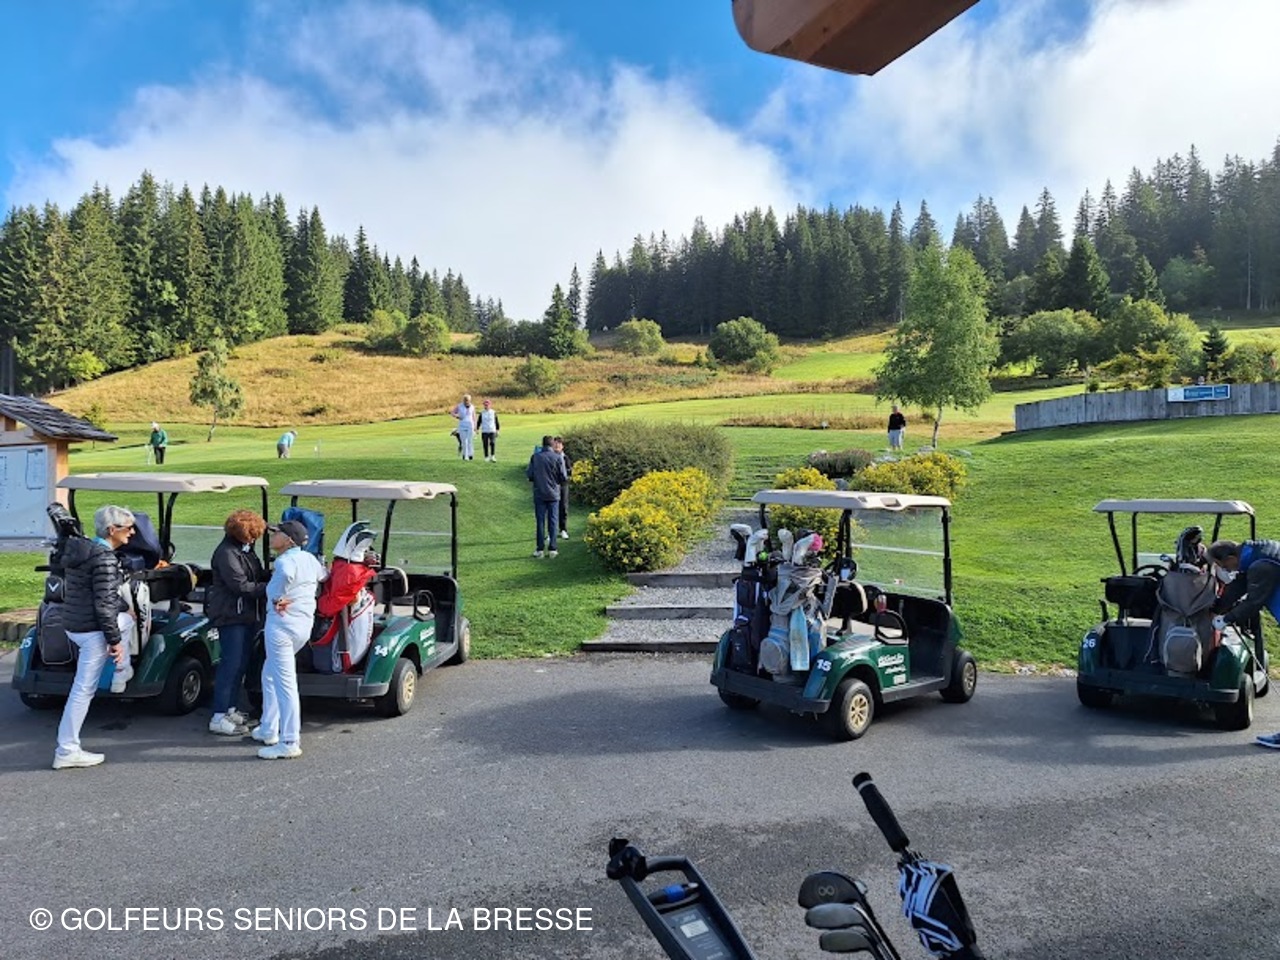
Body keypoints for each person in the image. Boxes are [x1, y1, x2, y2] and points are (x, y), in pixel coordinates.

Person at [52, 505, 136, 769]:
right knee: (83, 690)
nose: (132, 532)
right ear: (112, 530)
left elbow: (99, 594)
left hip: (74, 624)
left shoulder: (82, 550)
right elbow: (104, 606)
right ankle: (67, 750)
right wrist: (115, 642)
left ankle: (122, 671)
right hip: (92, 631)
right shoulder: (106, 559)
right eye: (128, 528)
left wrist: (123, 609)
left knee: (127, 619)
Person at [251, 520, 326, 760]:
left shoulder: (284, 562)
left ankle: (290, 741)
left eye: (277, 533)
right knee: (269, 673)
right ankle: (268, 727)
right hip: (302, 626)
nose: (272, 536)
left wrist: (277, 597)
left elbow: (283, 578)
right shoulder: (310, 559)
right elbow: (323, 576)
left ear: (289, 540)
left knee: (285, 684)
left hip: (281, 627)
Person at [1206, 538, 1280, 749]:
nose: (1224, 569)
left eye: (1223, 565)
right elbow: (1239, 586)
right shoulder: (1254, 555)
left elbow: (1253, 602)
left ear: (1231, 557)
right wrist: (1217, 608)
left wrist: (1226, 619)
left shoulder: (1261, 566)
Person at [205, 510, 268, 736]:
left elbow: (256, 575)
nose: (254, 539)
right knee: (230, 665)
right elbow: (240, 586)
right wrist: (270, 588)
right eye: (251, 535)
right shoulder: (226, 554)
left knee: (240, 663)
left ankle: (230, 709)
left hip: (244, 614)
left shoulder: (243, 550)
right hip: (230, 615)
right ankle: (219, 715)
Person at [526, 435, 568, 559]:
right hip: (554, 493)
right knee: (553, 520)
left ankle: (539, 549)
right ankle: (552, 549)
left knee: (540, 521)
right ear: (552, 444)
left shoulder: (535, 457)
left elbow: (530, 474)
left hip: (539, 493)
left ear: (542, 444)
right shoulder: (558, 457)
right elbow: (563, 477)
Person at [552, 436, 571, 540]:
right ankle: (552, 531)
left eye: (559, 443)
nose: (557, 445)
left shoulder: (565, 458)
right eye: (555, 443)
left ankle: (563, 529)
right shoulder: (550, 457)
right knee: (552, 508)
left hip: (563, 485)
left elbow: (569, 471)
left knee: (563, 507)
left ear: (562, 446)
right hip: (552, 485)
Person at [451, 395, 477, 460]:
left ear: (470, 400)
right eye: (465, 400)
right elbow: (452, 413)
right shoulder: (459, 406)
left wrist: (475, 426)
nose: (466, 402)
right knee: (464, 441)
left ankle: (470, 454)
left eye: (468, 400)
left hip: (470, 425)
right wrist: (457, 416)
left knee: (469, 440)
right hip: (462, 425)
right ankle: (465, 456)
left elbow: (474, 417)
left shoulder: (472, 407)